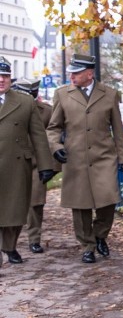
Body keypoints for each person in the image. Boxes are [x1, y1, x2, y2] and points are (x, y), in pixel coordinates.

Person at [46, 53, 123, 264]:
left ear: (89, 74)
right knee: (81, 205)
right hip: (75, 158)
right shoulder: (62, 95)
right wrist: (56, 147)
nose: (71, 76)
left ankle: (100, 234)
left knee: (108, 200)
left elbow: (118, 129)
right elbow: (53, 128)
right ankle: (88, 246)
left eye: (76, 73)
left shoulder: (109, 94)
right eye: (71, 72)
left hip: (104, 157)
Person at [0, 58, 55, 267]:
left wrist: (45, 165)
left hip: (16, 165)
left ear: (10, 78)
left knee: (14, 213)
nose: (1, 80)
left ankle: (9, 246)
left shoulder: (24, 102)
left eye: (5, 76)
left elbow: (38, 136)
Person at [13, 78, 61, 254]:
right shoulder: (8, 108)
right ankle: (10, 241)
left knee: (35, 204)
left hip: (35, 165)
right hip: (12, 164)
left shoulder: (47, 112)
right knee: (11, 203)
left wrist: (51, 167)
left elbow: (53, 138)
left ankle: (34, 239)